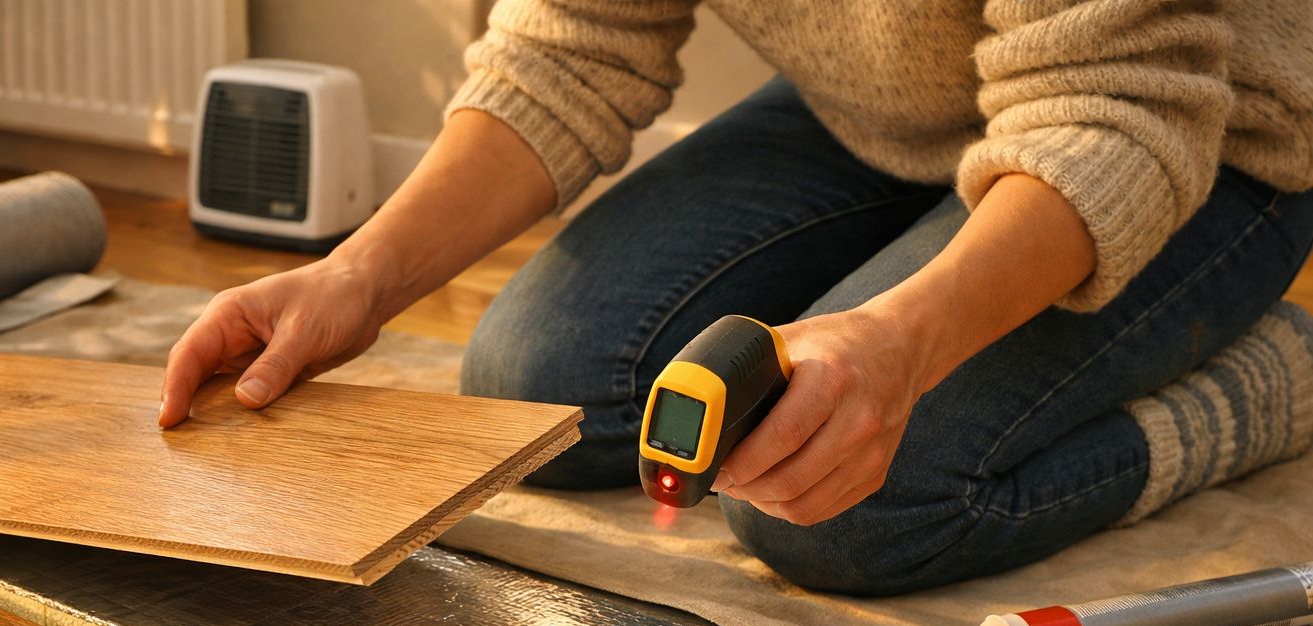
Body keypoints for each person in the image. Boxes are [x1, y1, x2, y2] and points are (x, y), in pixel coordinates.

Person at [160, 0, 1313, 595]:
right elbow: (574, 44)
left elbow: (1115, 113)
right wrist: (356, 274)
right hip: (886, 109)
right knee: (534, 385)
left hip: (1197, 136)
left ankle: (1267, 382)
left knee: (838, 503)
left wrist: (898, 339)